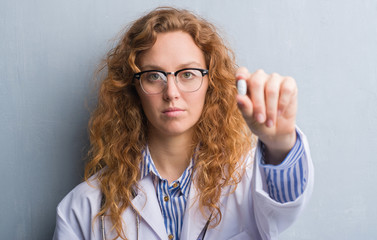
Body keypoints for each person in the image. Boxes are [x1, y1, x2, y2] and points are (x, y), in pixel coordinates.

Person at [53, 7, 314, 240]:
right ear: (134, 87)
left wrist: (280, 145)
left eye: (188, 74)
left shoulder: (247, 180)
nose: (172, 92)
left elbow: (283, 205)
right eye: (154, 76)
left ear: (210, 83)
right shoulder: (82, 208)